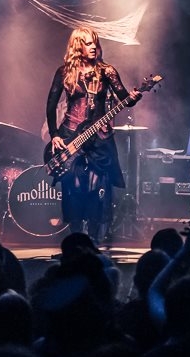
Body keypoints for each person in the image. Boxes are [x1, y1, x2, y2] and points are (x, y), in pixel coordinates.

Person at [46, 26, 140, 242]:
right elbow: (50, 105)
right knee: (73, 188)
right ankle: (76, 240)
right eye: (88, 43)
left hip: (99, 138)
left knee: (98, 189)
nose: (93, 47)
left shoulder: (107, 71)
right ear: (77, 46)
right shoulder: (64, 72)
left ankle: (94, 240)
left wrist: (134, 96)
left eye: (95, 43)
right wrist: (55, 135)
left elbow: (125, 99)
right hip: (71, 134)